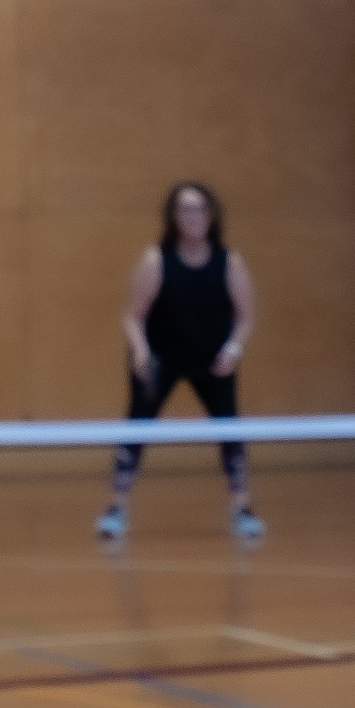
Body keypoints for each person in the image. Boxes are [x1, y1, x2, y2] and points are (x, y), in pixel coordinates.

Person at [100, 180, 261, 545]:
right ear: (174, 217)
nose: (194, 216)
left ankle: (242, 509)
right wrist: (140, 350)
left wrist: (233, 349)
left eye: (200, 208)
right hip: (160, 358)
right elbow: (133, 315)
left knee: (230, 430)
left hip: (213, 360)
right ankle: (115, 509)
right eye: (186, 209)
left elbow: (246, 316)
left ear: (211, 214)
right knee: (136, 428)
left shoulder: (229, 261)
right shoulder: (156, 260)